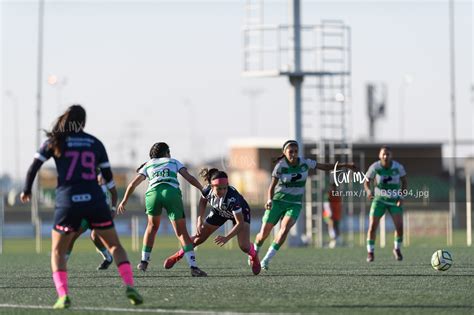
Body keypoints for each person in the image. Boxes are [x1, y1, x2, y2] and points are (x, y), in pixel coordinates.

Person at [20, 105, 143, 309]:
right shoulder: (95, 143)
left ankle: (63, 295)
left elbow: (34, 166)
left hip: (68, 202)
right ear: (84, 122)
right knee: (116, 246)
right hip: (95, 200)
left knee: (57, 251)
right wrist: (113, 200)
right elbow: (109, 179)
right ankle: (130, 286)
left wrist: (26, 189)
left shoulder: (55, 141)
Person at [253, 140, 356, 270]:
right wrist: (269, 200)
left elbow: (325, 166)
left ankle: (266, 259)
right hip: (278, 202)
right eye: (291, 151)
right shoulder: (280, 166)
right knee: (263, 235)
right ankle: (254, 252)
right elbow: (271, 187)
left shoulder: (304, 162)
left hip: (294, 204)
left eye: (296, 151)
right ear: (284, 153)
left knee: (284, 229)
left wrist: (345, 165)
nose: (294, 154)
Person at [117, 142, 207, 277]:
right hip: (171, 193)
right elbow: (188, 177)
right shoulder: (173, 161)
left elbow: (132, 184)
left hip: (153, 194)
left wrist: (124, 200)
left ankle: (143, 262)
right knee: (182, 233)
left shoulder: (148, 164)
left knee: (151, 227)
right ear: (166, 152)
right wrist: (202, 189)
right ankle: (193, 267)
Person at [163, 168, 261, 275]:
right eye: (219, 189)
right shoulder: (206, 190)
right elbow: (202, 202)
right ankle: (178, 255)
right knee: (198, 239)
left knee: (244, 246)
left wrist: (226, 237)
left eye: (224, 188)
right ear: (211, 186)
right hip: (219, 212)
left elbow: (239, 223)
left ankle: (254, 255)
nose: (222, 192)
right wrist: (200, 218)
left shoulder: (233, 198)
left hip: (240, 214)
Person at [364, 145, 407, 262]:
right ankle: (370, 252)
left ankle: (397, 249)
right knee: (372, 226)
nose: (385, 156)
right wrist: (368, 191)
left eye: (387, 154)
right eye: (383, 154)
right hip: (379, 200)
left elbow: (404, 182)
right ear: (379, 155)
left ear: (391, 155)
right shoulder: (375, 167)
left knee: (399, 227)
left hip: (394, 200)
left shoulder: (398, 167)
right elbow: (366, 181)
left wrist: (401, 197)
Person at [66, 171, 116, 270]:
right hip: (86, 214)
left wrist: (113, 209)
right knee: (72, 236)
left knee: (94, 236)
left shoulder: (103, 175)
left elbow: (114, 193)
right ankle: (62, 265)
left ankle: (108, 258)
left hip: (101, 214)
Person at [323, 183, 343, 248]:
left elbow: (340, 204)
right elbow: (326, 204)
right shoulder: (329, 194)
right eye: (333, 187)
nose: (334, 189)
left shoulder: (337, 195)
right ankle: (333, 240)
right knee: (331, 225)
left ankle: (337, 240)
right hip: (328, 213)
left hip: (336, 213)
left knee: (336, 226)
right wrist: (329, 213)